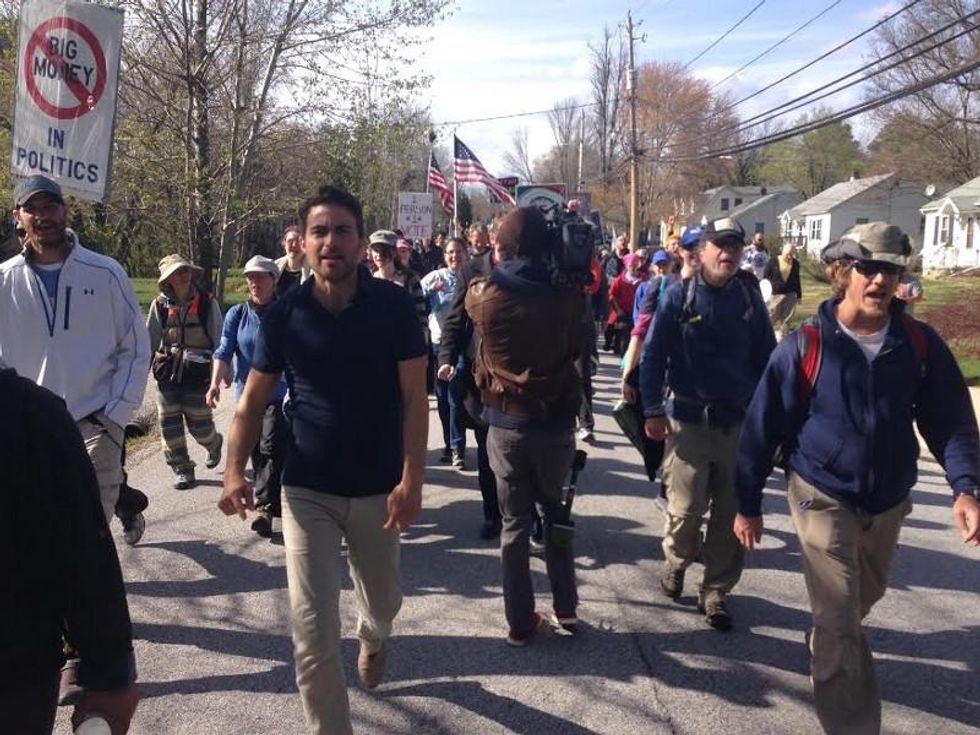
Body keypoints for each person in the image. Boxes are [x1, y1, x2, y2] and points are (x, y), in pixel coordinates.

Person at [733, 222, 979, 735]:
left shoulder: (918, 344)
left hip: (887, 499)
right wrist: (747, 501)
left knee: (862, 598)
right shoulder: (806, 345)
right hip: (820, 491)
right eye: (868, 268)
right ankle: (852, 723)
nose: (878, 281)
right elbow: (761, 427)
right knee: (842, 616)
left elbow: (951, 417)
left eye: (890, 270)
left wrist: (965, 486)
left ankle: (827, 637)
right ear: (843, 272)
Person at [219, 185, 427, 735]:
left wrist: (413, 479)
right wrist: (234, 470)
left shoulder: (394, 308)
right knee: (311, 636)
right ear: (303, 244)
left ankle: (374, 632)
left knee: (384, 601)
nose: (330, 241)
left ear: (360, 243)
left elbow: (413, 399)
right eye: (319, 231)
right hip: (306, 488)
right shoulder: (284, 315)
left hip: (378, 488)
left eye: (342, 231)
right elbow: (250, 404)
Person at [640, 216, 776, 631]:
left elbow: (770, 361)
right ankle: (677, 561)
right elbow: (653, 357)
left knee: (729, 514)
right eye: (720, 245)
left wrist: (773, 417)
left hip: (737, 425)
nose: (728, 253)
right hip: (688, 424)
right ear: (701, 251)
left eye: (734, 245)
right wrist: (651, 410)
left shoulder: (749, 301)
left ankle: (716, 590)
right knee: (685, 512)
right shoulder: (678, 297)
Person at [0, 175, 151, 525]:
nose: (43, 215)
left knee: (90, 527)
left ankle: (93, 580)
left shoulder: (106, 273)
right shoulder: (5, 281)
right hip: (29, 429)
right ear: (17, 217)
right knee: (37, 526)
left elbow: (135, 346)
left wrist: (116, 416)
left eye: (50, 205)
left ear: (64, 209)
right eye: (31, 208)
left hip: (94, 422)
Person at [465, 206, 585, 645]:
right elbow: (580, 343)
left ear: (508, 245)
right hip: (555, 424)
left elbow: (474, 291)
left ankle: (519, 622)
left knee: (514, 522)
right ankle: (566, 608)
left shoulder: (484, 296)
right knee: (556, 513)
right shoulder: (569, 297)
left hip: (506, 424)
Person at [0, 362, 139, 735]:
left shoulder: (32, 418)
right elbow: (83, 556)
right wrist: (110, 675)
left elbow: (82, 552)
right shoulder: (32, 415)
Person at [208, 255, 288, 538]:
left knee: (270, 446)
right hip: (246, 396)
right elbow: (223, 351)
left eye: (260, 276)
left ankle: (265, 509)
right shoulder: (237, 314)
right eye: (249, 277)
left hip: (280, 394)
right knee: (254, 449)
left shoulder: (284, 312)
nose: (253, 282)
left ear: (273, 279)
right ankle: (272, 496)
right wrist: (215, 384)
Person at [437, 220, 505, 541]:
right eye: (500, 238)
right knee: (487, 449)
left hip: (521, 381)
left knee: (519, 452)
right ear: (491, 239)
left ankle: (522, 514)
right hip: (481, 378)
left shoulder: (530, 269)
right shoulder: (472, 270)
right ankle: (492, 514)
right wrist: (446, 358)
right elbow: (455, 319)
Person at [147, 254, 224, 490]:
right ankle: (183, 470)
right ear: (168, 279)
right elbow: (149, 341)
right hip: (167, 374)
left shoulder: (206, 303)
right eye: (178, 272)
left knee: (200, 426)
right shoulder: (159, 305)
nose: (183, 275)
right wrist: (138, 373)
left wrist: (221, 374)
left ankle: (213, 443)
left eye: (185, 271)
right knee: (169, 427)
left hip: (196, 374)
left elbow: (220, 339)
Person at [421, 237, 468, 467]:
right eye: (450, 252)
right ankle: (449, 445)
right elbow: (416, 304)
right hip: (439, 344)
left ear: (465, 254)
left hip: (461, 344)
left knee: (455, 395)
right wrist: (430, 295)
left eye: (459, 251)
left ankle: (458, 447)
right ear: (444, 255)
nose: (454, 256)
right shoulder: (434, 278)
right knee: (442, 398)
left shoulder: (470, 277)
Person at [369, 230, 428, 330]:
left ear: (394, 252)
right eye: (376, 250)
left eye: (384, 250)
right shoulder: (368, 280)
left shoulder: (410, 279)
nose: (379, 255)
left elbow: (421, 314)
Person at [606, 250, 646, 356]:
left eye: (635, 265)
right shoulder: (620, 280)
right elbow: (612, 295)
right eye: (630, 265)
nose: (633, 267)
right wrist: (618, 310)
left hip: (638, 313)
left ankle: (634, 358)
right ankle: (624, 358)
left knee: (637, 337)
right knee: (624, 336)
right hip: (624, 313)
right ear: (626, 266)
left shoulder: (644, 279)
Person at [763, 242, 802, 339]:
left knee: (787, 317)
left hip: (791, 293)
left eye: (792, 254)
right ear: (782, 252)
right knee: (772, 316)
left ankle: (783, 337)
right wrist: (766, 292)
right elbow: (765, 278)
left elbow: (797, 279)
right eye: (788, 254)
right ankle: (767, 335)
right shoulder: (773, 261)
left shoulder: (796, 264)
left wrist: (799, 295)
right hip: (775, 294)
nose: (790, 257)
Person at [275, 225, 309, 296]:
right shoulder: (274, 267)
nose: (294, 245)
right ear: (284, 244)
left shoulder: (313, 270)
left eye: (299, 241)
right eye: (290, 241)